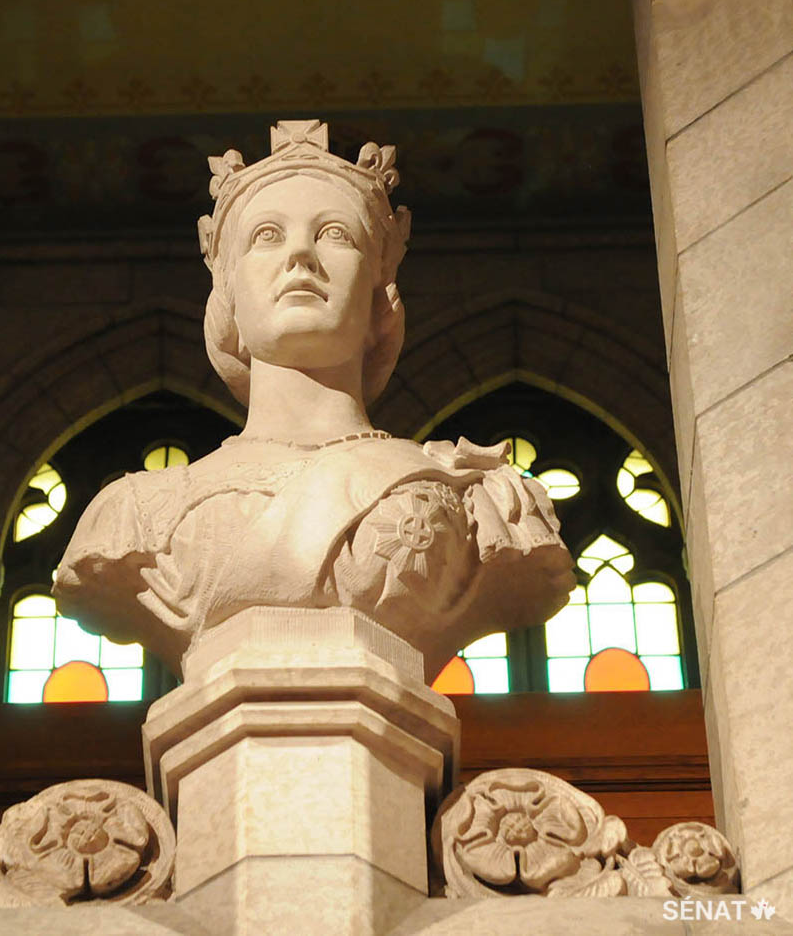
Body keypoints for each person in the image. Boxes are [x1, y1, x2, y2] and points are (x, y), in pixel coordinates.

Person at [53, 120, 573, 681]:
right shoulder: (134, 515)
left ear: (379, 300)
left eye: (335, 234)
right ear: (228, 299)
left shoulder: (482, 500)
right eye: (266, 235)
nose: (300, 253)